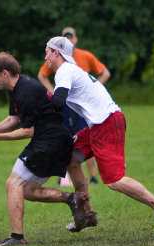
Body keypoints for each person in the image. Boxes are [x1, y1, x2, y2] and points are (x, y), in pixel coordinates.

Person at [44, 36, 154, 237]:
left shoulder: (64, 71)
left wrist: (39, 100)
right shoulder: (71, 70)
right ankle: (86, 215)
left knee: (114, 180)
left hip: (106, 123)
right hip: (99, 124)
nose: (45, 57)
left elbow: (58, 104)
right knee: (70, 158)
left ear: (56, 52)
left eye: (47, 52)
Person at [0, 52, 95, 246]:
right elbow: (14, 120)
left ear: (4, 73)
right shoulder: (17, 87)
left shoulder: (26, 92)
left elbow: (27, 130)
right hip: (53, 141)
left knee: (13, 183)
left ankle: (17, 237)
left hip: (49, 143)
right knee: (28, 190)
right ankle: (72, 198)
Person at [38, 27, 111, 185]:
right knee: (69, 146)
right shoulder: (63, 68)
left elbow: (105, 72)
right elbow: (42, 76)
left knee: (115, 181)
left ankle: (92, 176)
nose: (45, 57)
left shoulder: (72, 64)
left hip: (91, 112)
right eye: (66, 38)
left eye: (70, 38)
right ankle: (64, 178)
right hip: (70, 102)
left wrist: (93, 89)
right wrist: (53, 92)